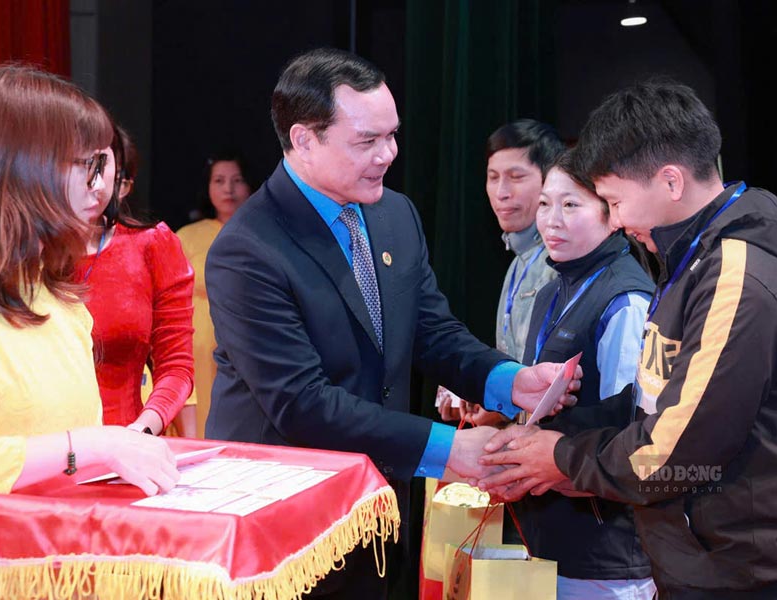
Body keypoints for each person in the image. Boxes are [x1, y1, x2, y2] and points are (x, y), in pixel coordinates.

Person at [204, 47, 577, 597]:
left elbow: (431, 331)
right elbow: (301, 402)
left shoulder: (393, 213)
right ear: (304, 139)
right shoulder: (248, 248)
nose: (388, 154)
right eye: (367, 141)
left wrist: (509, 382)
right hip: (286, 522)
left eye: (392, 135)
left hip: (380, 507)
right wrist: (447, 449)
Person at [478, 80, 777, 599]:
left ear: (670, 181)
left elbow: (668, 452)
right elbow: (653, 403)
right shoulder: (695, 255)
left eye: (615, 201)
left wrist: (559, 457)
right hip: (701, 566)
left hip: (739, 579)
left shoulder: (736, 276)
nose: (615, 220)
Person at [0, 64, 178, 582]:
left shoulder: (60, 296)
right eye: (86, 166)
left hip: (62, 570)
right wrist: (91, 446)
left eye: (107, 167)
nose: (103, 188)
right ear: (18, 169)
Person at [514, 150, 655, 599]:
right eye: (544, 204)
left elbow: (630, 436)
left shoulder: (626, 299)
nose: (551, 220)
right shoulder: (551, 292)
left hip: (605, 554)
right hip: (546, 541)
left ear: (612, 215)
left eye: (570, 205)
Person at [438, 119, 563, 425]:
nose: (501, 192)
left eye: (516, 177)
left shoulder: (561, 261)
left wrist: (496, 407)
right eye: (492, 178)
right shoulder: (517, 262)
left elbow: (562, 382)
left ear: (551, 181)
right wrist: (485, 396)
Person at [74, 124, 195, 437]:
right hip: (39, 454)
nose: (95, 182)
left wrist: (142, 429)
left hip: (128, 443)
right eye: (79, 164)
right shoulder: (23, 252)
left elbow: (176, 365)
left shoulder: (152, 245)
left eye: (102, 163)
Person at [176, 151, 252, 438]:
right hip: (194, 345)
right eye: (219, 181)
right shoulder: (186, 235)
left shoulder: (262, 232)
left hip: (244, 344)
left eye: (237, 180)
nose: (228, 189)